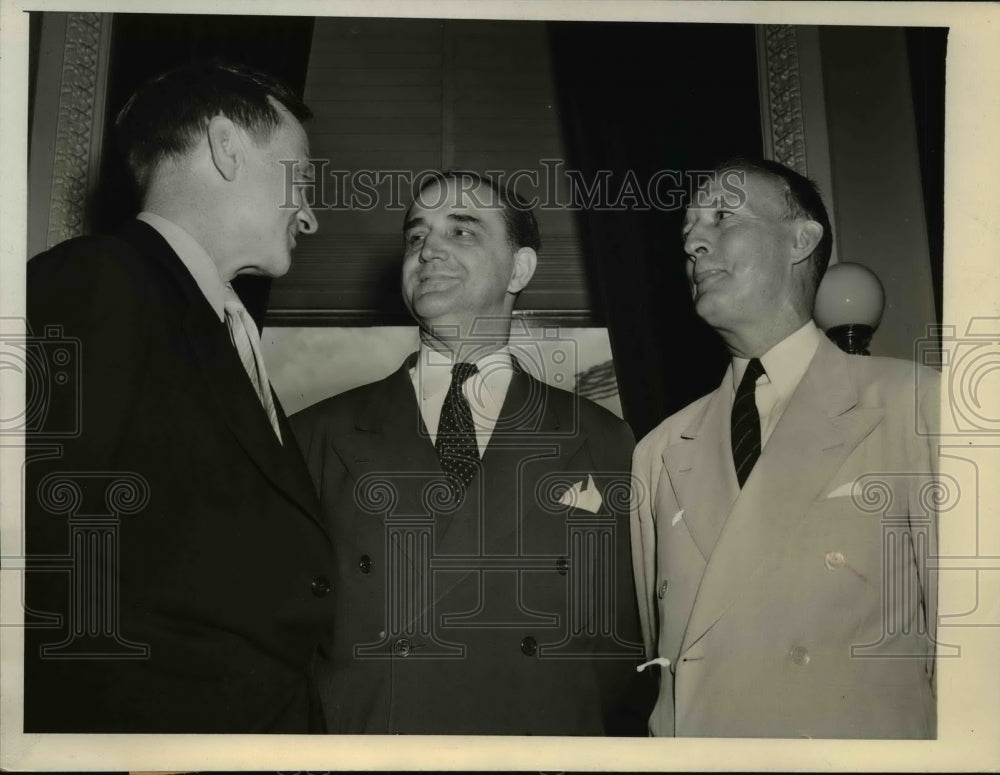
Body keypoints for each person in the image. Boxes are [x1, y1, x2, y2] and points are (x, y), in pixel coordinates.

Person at [24, 60, 334, 733]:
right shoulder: (97, 279)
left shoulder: (216, 321)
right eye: (300, 178)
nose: (309, 216)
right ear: (226, 146)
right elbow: (33, 554)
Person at [291, 171, 647, 734]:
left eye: (461, 232)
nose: (427, 248)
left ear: (520, 268)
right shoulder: (314, 436)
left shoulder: (606, 440)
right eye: (415, 236)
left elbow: (626, 646)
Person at [630, 157, 939, 738]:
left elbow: (971, 659)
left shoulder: (915, 406)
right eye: (688, 230)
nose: (694, 241)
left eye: (722, 216)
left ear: (801, 240)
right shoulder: (659, 451)